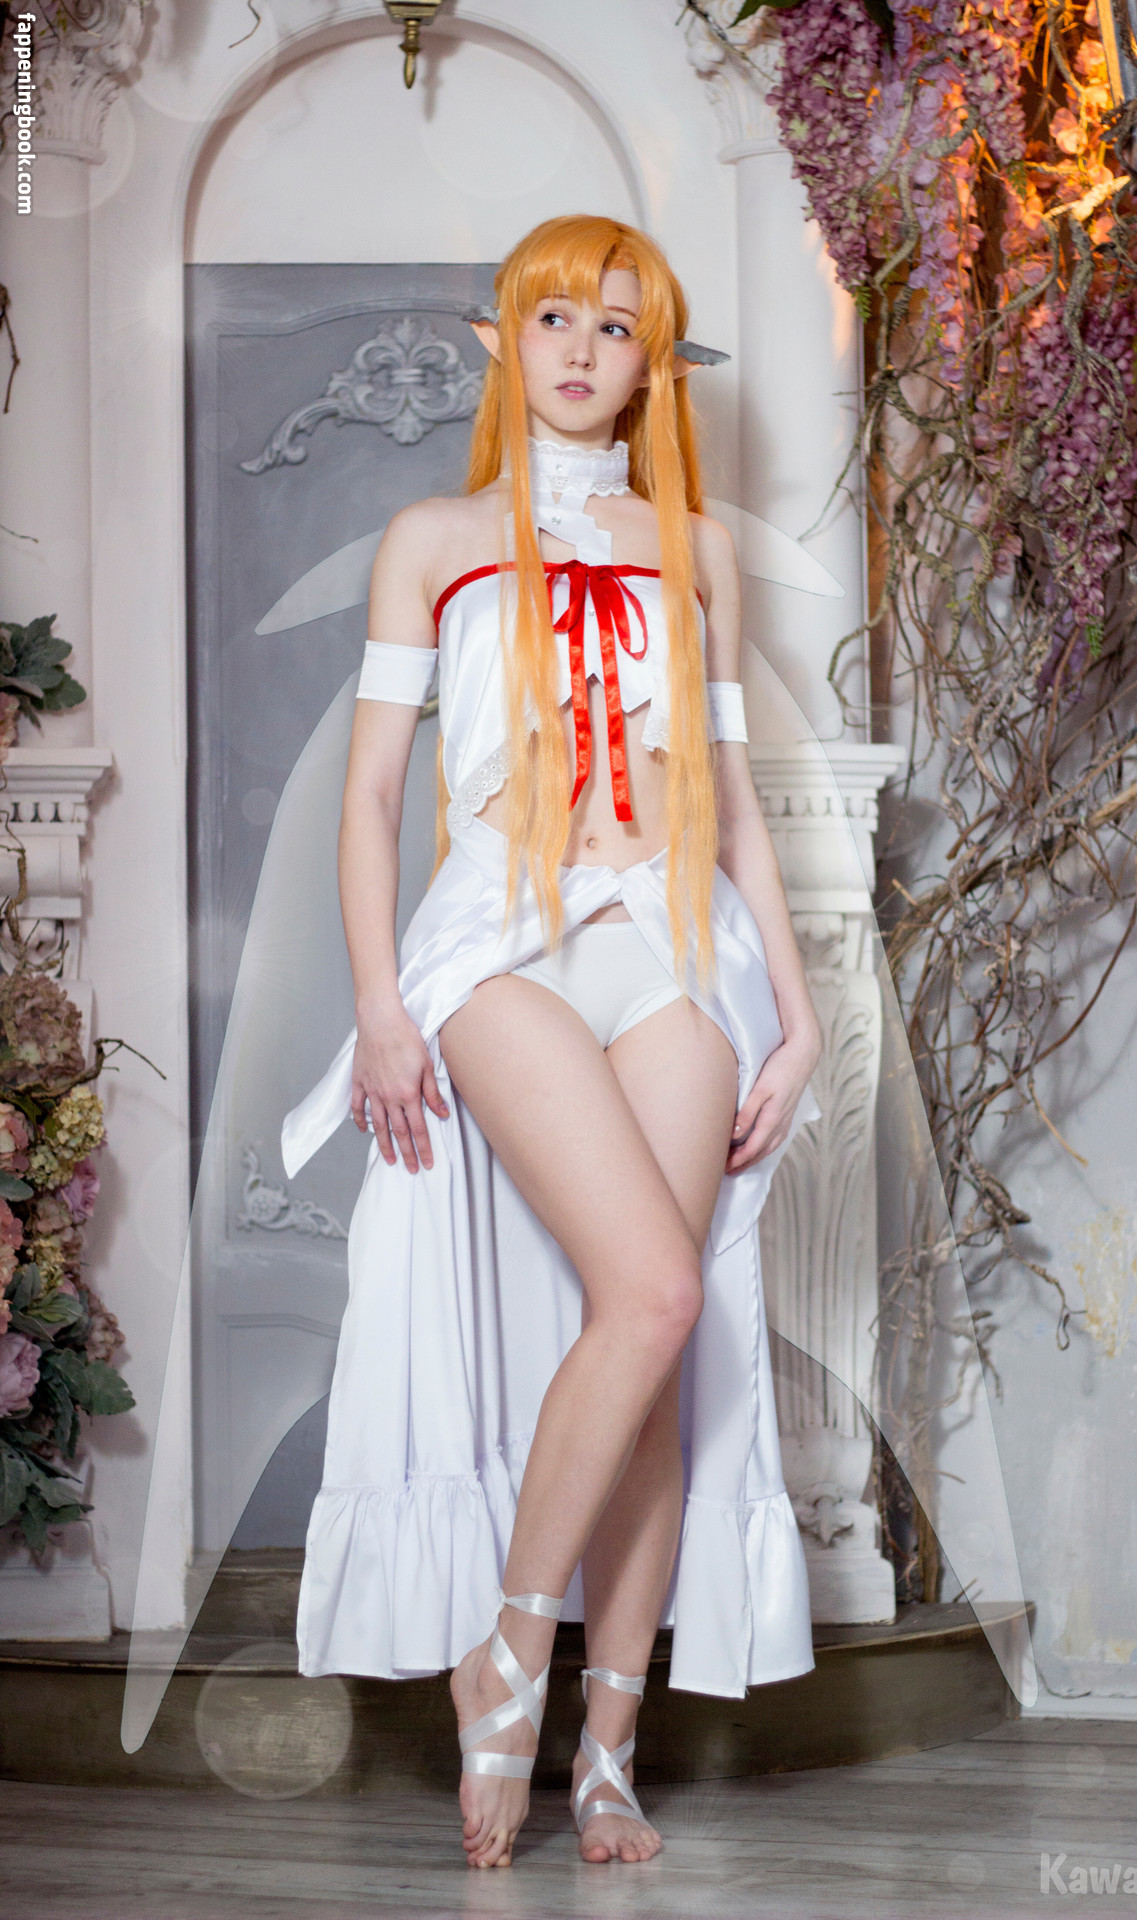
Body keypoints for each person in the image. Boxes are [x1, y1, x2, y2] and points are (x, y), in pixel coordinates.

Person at [281, 214, 823, 1870]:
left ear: (654, 363)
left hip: (672, 948)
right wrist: (379, 1005)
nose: (582, 352)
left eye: (617, 327)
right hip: (498, 942)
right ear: (501, 342)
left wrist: (797, 1012)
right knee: (648, 1290)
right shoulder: (432, 538)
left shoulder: (694, 547)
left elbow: (732, 803)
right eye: (554, 321)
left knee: (659, 1333)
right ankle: (516, 1642)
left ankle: (605, 1751)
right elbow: (374, 799)